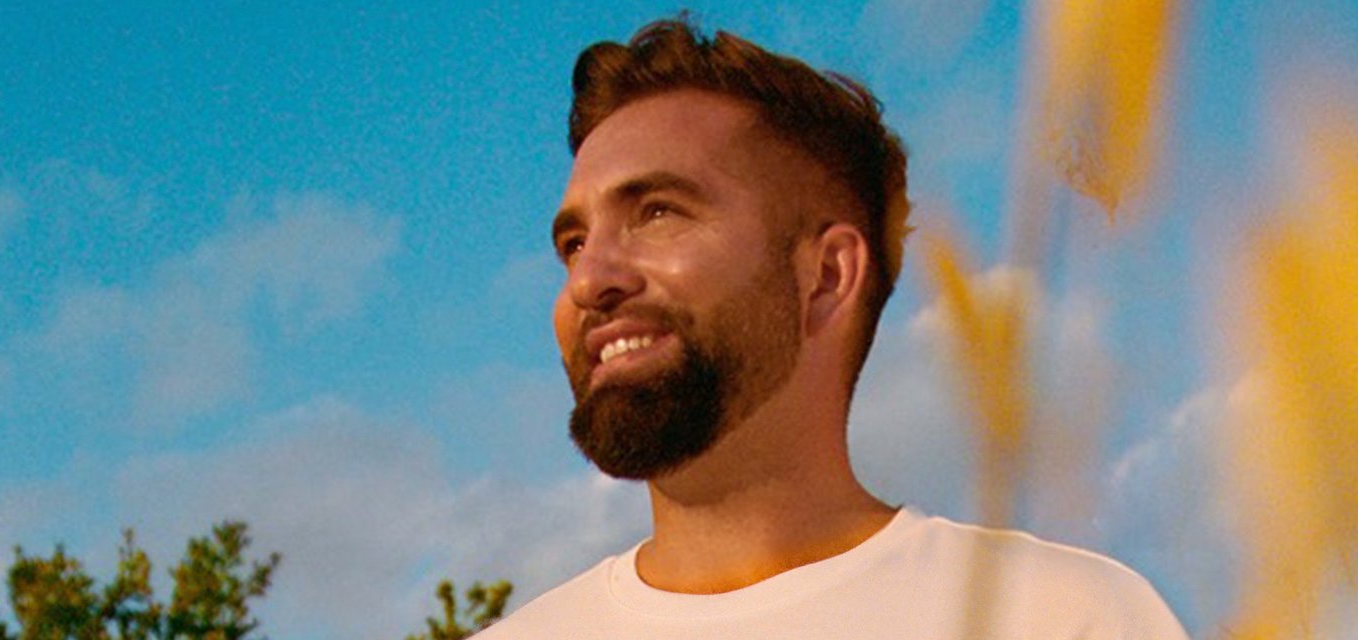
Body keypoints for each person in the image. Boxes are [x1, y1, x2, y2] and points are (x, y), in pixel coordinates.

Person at [478, 17, 1188, 639]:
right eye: (574, 242)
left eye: (658, 212)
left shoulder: (1064, 619)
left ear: (825, 275)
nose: (588, 280)